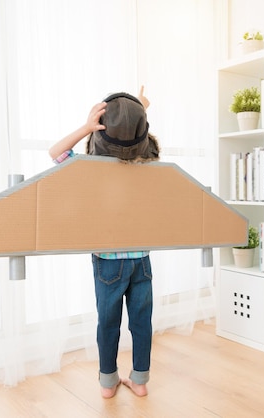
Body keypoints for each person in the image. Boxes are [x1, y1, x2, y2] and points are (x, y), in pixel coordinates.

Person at [49, 86, 160, 398]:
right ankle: (139, 381)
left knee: (108, 323)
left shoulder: (88, 169)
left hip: (108, 260)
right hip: (141, 260)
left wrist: (86, 126)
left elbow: (55, 151)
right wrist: (141, 112)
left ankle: (108, 383)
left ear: (98, 135)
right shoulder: (149, 166)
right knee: (141, 322)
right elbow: (139, 140)